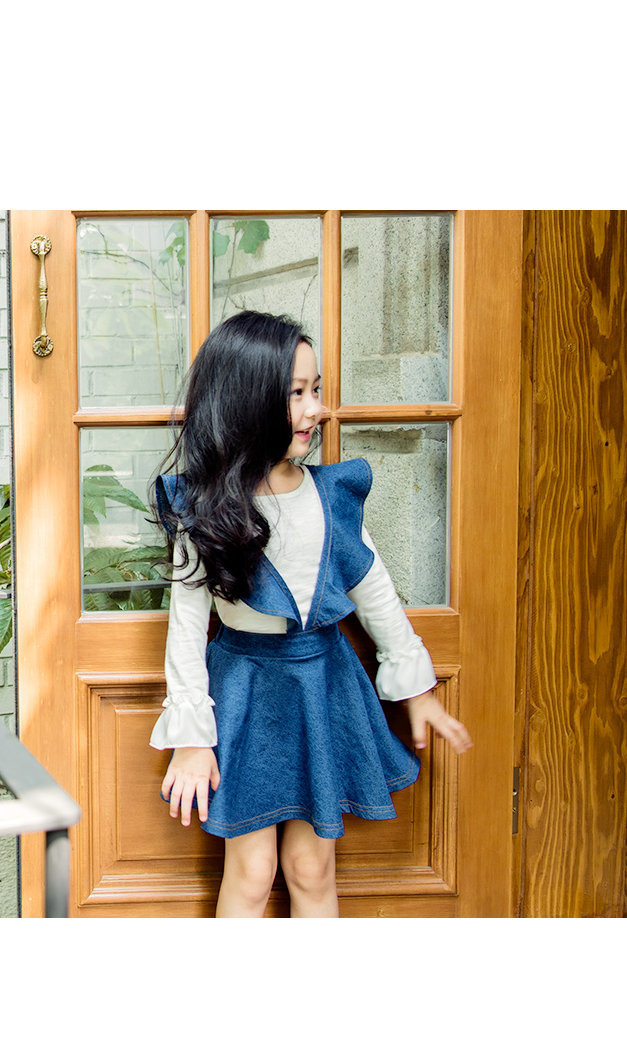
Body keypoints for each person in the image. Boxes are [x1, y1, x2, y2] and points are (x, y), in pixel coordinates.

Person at [150, 309, 472, 918]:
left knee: (311, 867)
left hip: (323, 685)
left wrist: (417, 689)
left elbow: (375, 589)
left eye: (316, 390)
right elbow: (186, 627)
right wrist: (192, 741)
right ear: (245, 401)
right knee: (252, 873)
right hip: (247, 691)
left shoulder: (331, 495)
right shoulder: (205, 507)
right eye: (296, 393)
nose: (316, 409)